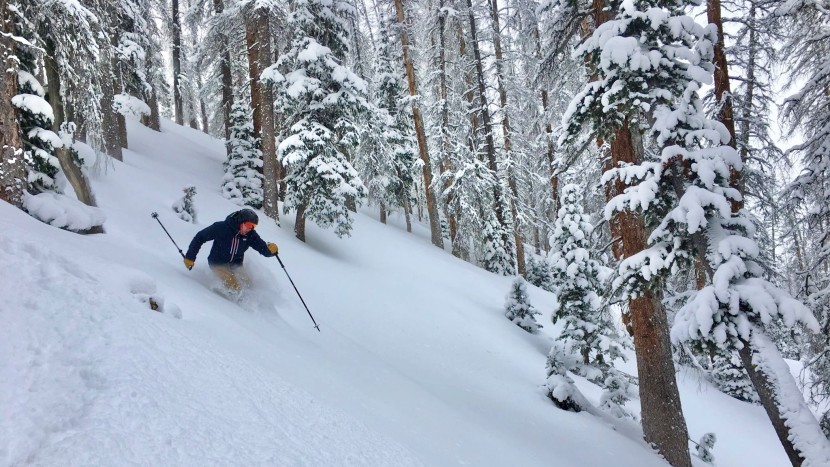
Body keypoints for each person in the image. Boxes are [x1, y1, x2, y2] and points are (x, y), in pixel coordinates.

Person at [184, 209, 279, 292]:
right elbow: (200, 237)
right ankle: (237, 306)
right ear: (240, 221)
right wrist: (190, 257)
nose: (250, 229)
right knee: (234, 285)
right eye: (248, 225)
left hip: (235, 265)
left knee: (249, 284)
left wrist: (270, 251)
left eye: (253, 226)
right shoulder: (221, 228)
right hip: (217, 263)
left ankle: (253, 303)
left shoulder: (250, 235)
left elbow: (262, 248)